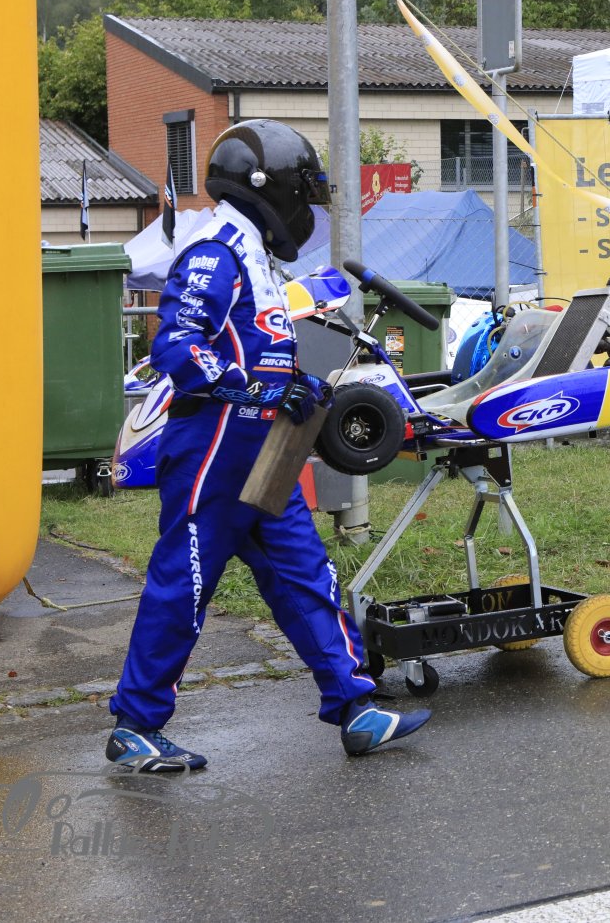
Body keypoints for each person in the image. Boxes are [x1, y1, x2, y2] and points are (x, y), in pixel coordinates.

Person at [106, 119, 428, 771]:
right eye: (302, 193)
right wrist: (260, 388)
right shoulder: (216, 250)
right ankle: (136, 725)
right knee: (184, 583)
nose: (305, 209)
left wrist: (293, 384)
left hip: (262, 449)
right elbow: (177, 347)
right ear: (268, 186)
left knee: (306, 574)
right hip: (212, 448)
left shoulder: (254, 253)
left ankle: (356, 706)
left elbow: (253, 348)